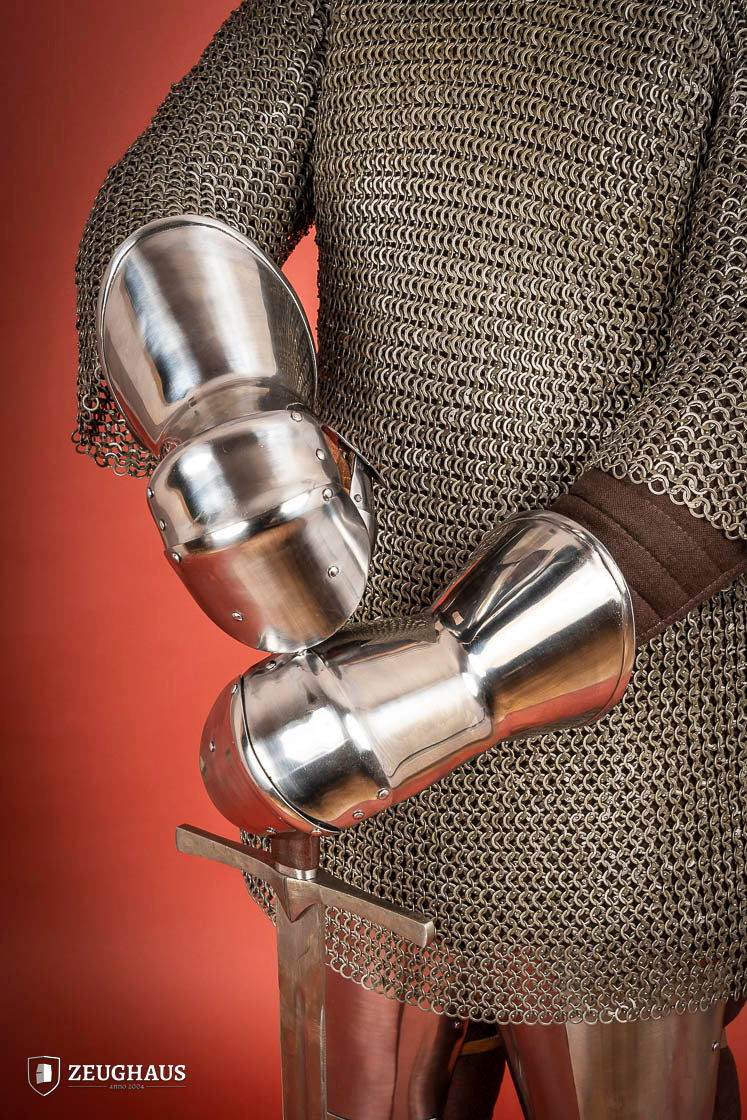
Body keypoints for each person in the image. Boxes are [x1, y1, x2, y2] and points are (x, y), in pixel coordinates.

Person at [75, 3, 746, 1116]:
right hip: (362, 691)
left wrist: (468, 665)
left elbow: (736, 362)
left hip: (622, 713)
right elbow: (182, 193)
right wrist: (223, 420)